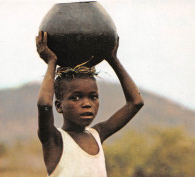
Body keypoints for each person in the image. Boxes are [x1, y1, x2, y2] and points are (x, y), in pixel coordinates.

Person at [36, 31, 144, 177]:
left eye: (93, 97)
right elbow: (44, 104)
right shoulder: (54, 140)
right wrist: (51, 62)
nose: (87, 103)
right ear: (59, 106)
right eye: (76, 98)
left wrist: (112, 59)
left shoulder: (97, 134)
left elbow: (136, 102)